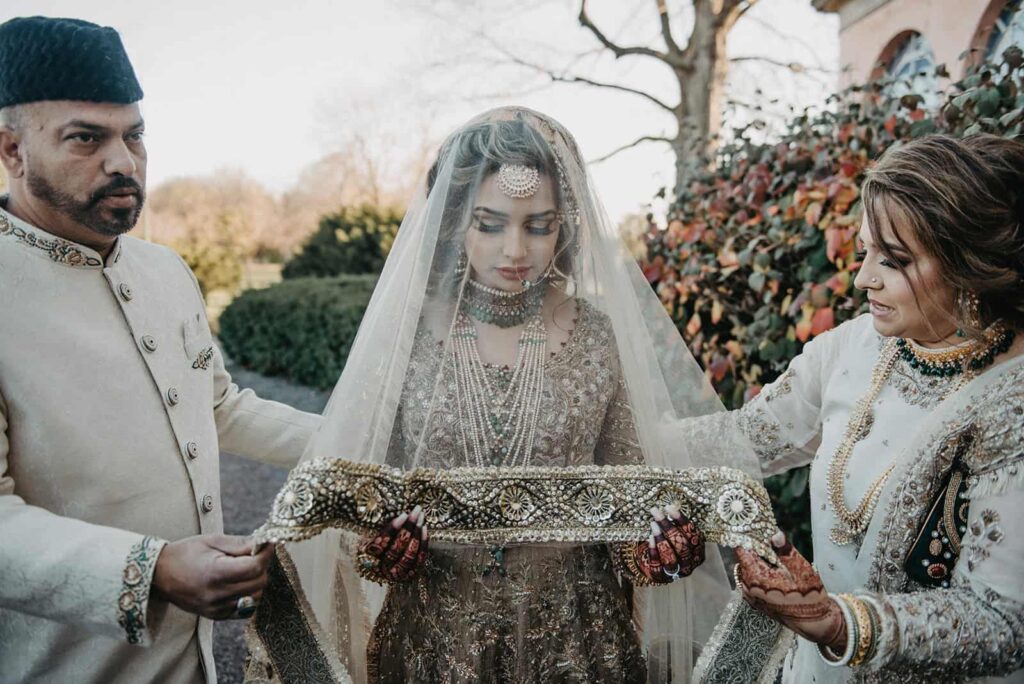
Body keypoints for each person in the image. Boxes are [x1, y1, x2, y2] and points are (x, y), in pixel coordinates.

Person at [243, 107, 764, 683]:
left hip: (577, 635)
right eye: (489, 224)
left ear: (564, 225)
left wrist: (656, 553)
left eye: (538, 225)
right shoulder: (406, 339)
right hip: (434, 638)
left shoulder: (595, 337)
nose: (515, 249)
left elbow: (627, 500)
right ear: (452, 223)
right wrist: (379, 547)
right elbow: (364, 494)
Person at [0, 16, 321, 683]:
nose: (123, 162)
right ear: (11, 150)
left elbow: (221, 407)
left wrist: (372, 439)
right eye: (86, 138)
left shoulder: (165, 271)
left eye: (134, 136)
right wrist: (148, 571)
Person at [693, 134, 1024, 682]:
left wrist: (838, 624)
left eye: (892, 261)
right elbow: (744, 438)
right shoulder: (851, 347)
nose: (862, 277)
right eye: (865, 250)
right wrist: (618, 435)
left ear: (968, 266)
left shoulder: (1012, 403)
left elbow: (1001, 620)